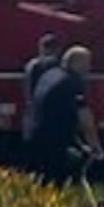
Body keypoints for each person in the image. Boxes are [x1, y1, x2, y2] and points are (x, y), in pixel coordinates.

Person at [29, 45, 104, 186]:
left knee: (42, 182)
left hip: (36, 135)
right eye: (87, 63)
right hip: (54, 141)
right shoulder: (73, 81)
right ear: (78, 62)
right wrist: (96, 146)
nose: (89, 68)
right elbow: (85, 118)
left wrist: (80, 144)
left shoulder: (49, 75)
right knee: (57, 181)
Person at [20, 32, 62, 170]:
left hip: (31, 114)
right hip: (50, 118)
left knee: (32, 156)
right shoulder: (53, 65)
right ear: (56, 49)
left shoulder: (31, 65)